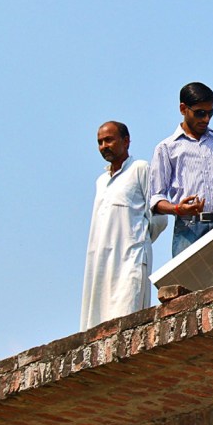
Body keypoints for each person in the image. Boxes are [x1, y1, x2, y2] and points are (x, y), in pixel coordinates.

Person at [149, 82, 213, 256]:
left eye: (210, 113)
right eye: (200, 113)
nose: (206, 119)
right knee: (190, 282)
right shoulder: (167, 148)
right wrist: (177, 209)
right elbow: (156, 198)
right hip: (188, 229)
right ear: (183, 109)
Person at [81, 121, 158, 331]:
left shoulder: (140, 168)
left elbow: (158, 216)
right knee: (98, 320)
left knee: (128, 316)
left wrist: (137, 239)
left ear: (126, 141)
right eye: (99, 142)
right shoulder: (101, 181)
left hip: (131, 256)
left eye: (108, 140)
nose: (104, 146)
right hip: (101, 260)